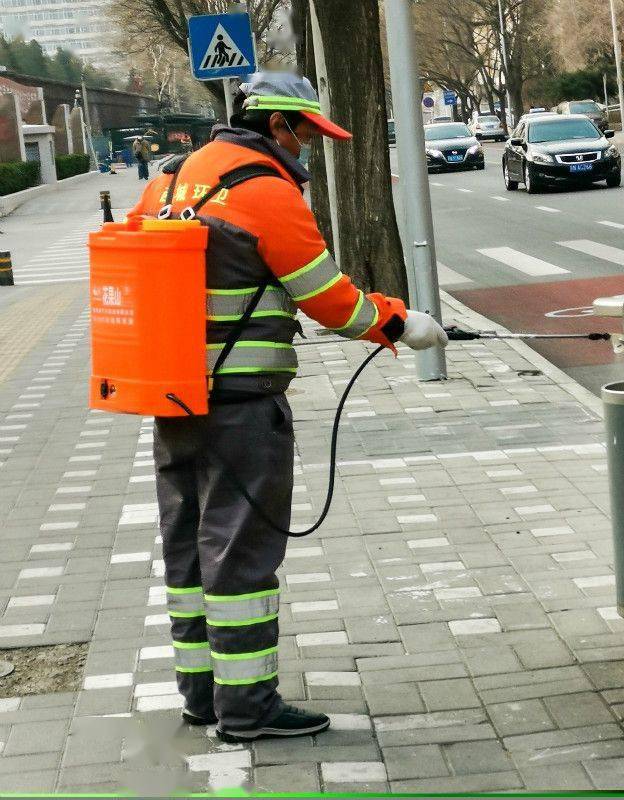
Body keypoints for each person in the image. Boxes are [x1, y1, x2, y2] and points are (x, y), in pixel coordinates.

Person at [126, 72, 448, 743]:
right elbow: (327, 298)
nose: (307, 147)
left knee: (187, 546)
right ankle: (247, 710)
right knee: (240, 553)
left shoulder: (169, 182)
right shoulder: (264, 190)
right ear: (275, 126)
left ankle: (202, 695)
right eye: (303, 133)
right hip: (241, 407)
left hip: (172, 397)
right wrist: (401, 323)